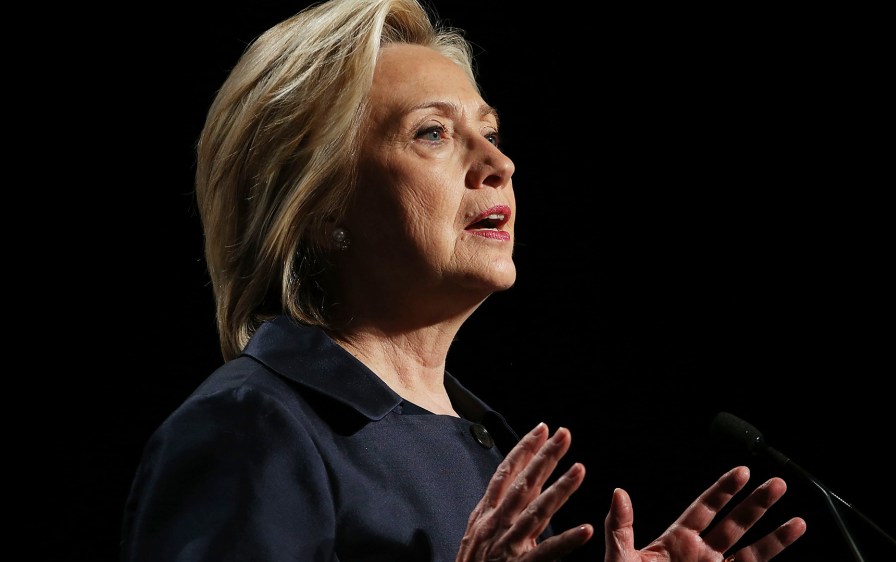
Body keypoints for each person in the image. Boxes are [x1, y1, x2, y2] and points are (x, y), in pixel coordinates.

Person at [119, 0, 807, 560]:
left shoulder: (481, 442)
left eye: (489, 131)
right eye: (432, 134)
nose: (497, 163)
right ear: (321, 206)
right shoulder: (249, 429)